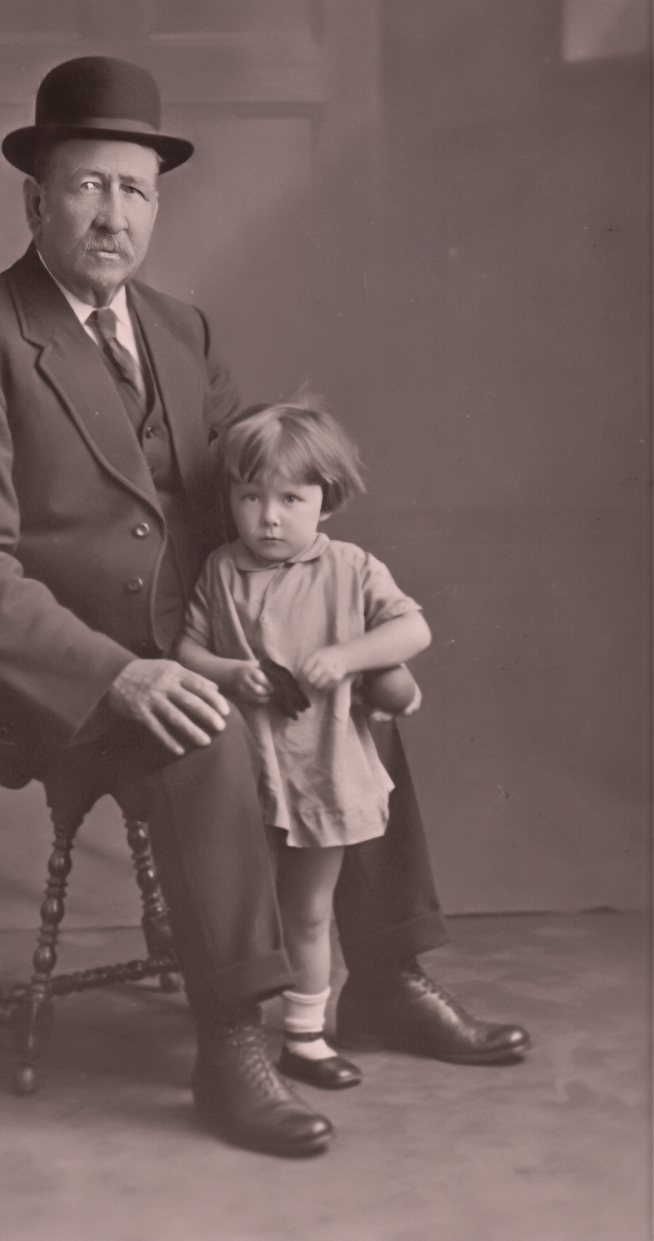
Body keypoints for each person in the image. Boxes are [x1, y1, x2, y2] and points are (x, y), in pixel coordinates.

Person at [0, 56, 529, 1157]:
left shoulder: (181, 330)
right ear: (36, 199)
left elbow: (247, 501)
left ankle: (381, 974)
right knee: (201, 735)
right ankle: (232, 1036)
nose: (113, 215)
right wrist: (119, 671)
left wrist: (326, 627)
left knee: (353, 697)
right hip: (51, 658)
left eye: (135, 191)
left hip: (197, 631)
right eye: (88, 186)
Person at [178, 402, 435, 1090]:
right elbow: (187, 649)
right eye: (249, 497)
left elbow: (412, 632)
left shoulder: (350, 568)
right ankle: (233, 1030)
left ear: (327, 499)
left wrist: (349, 655)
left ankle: (304, 1037)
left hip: (322, 769)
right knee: (241, 907)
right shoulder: (219, 570)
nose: (267, 517)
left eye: (290, 499)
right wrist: (231, 673)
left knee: (309, 909)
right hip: (250, 770)